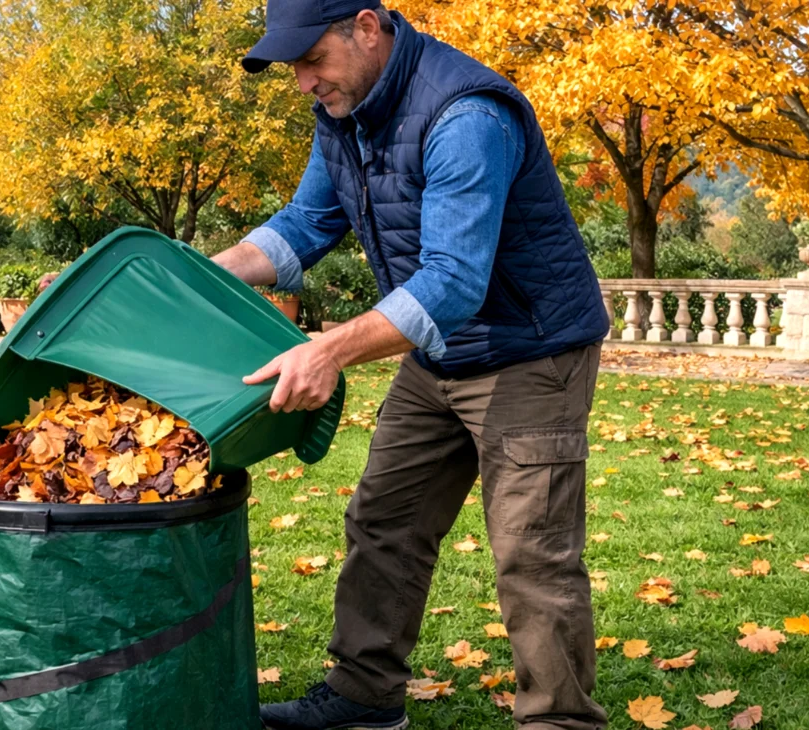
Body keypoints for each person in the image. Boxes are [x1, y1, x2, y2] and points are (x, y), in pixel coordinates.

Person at [211, 2, 610, 728]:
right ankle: (365, 697)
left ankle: (559, 720)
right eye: (294, 67)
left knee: (532, 556)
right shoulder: (344, 112)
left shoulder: (466, 115)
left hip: (531, 351)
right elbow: (305, 224)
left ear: (366, 28)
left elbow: (453, 281)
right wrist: (197, 278)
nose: (304, 82)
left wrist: (328, 349)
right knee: (384, 520)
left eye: (312, 60)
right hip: (439, 351)